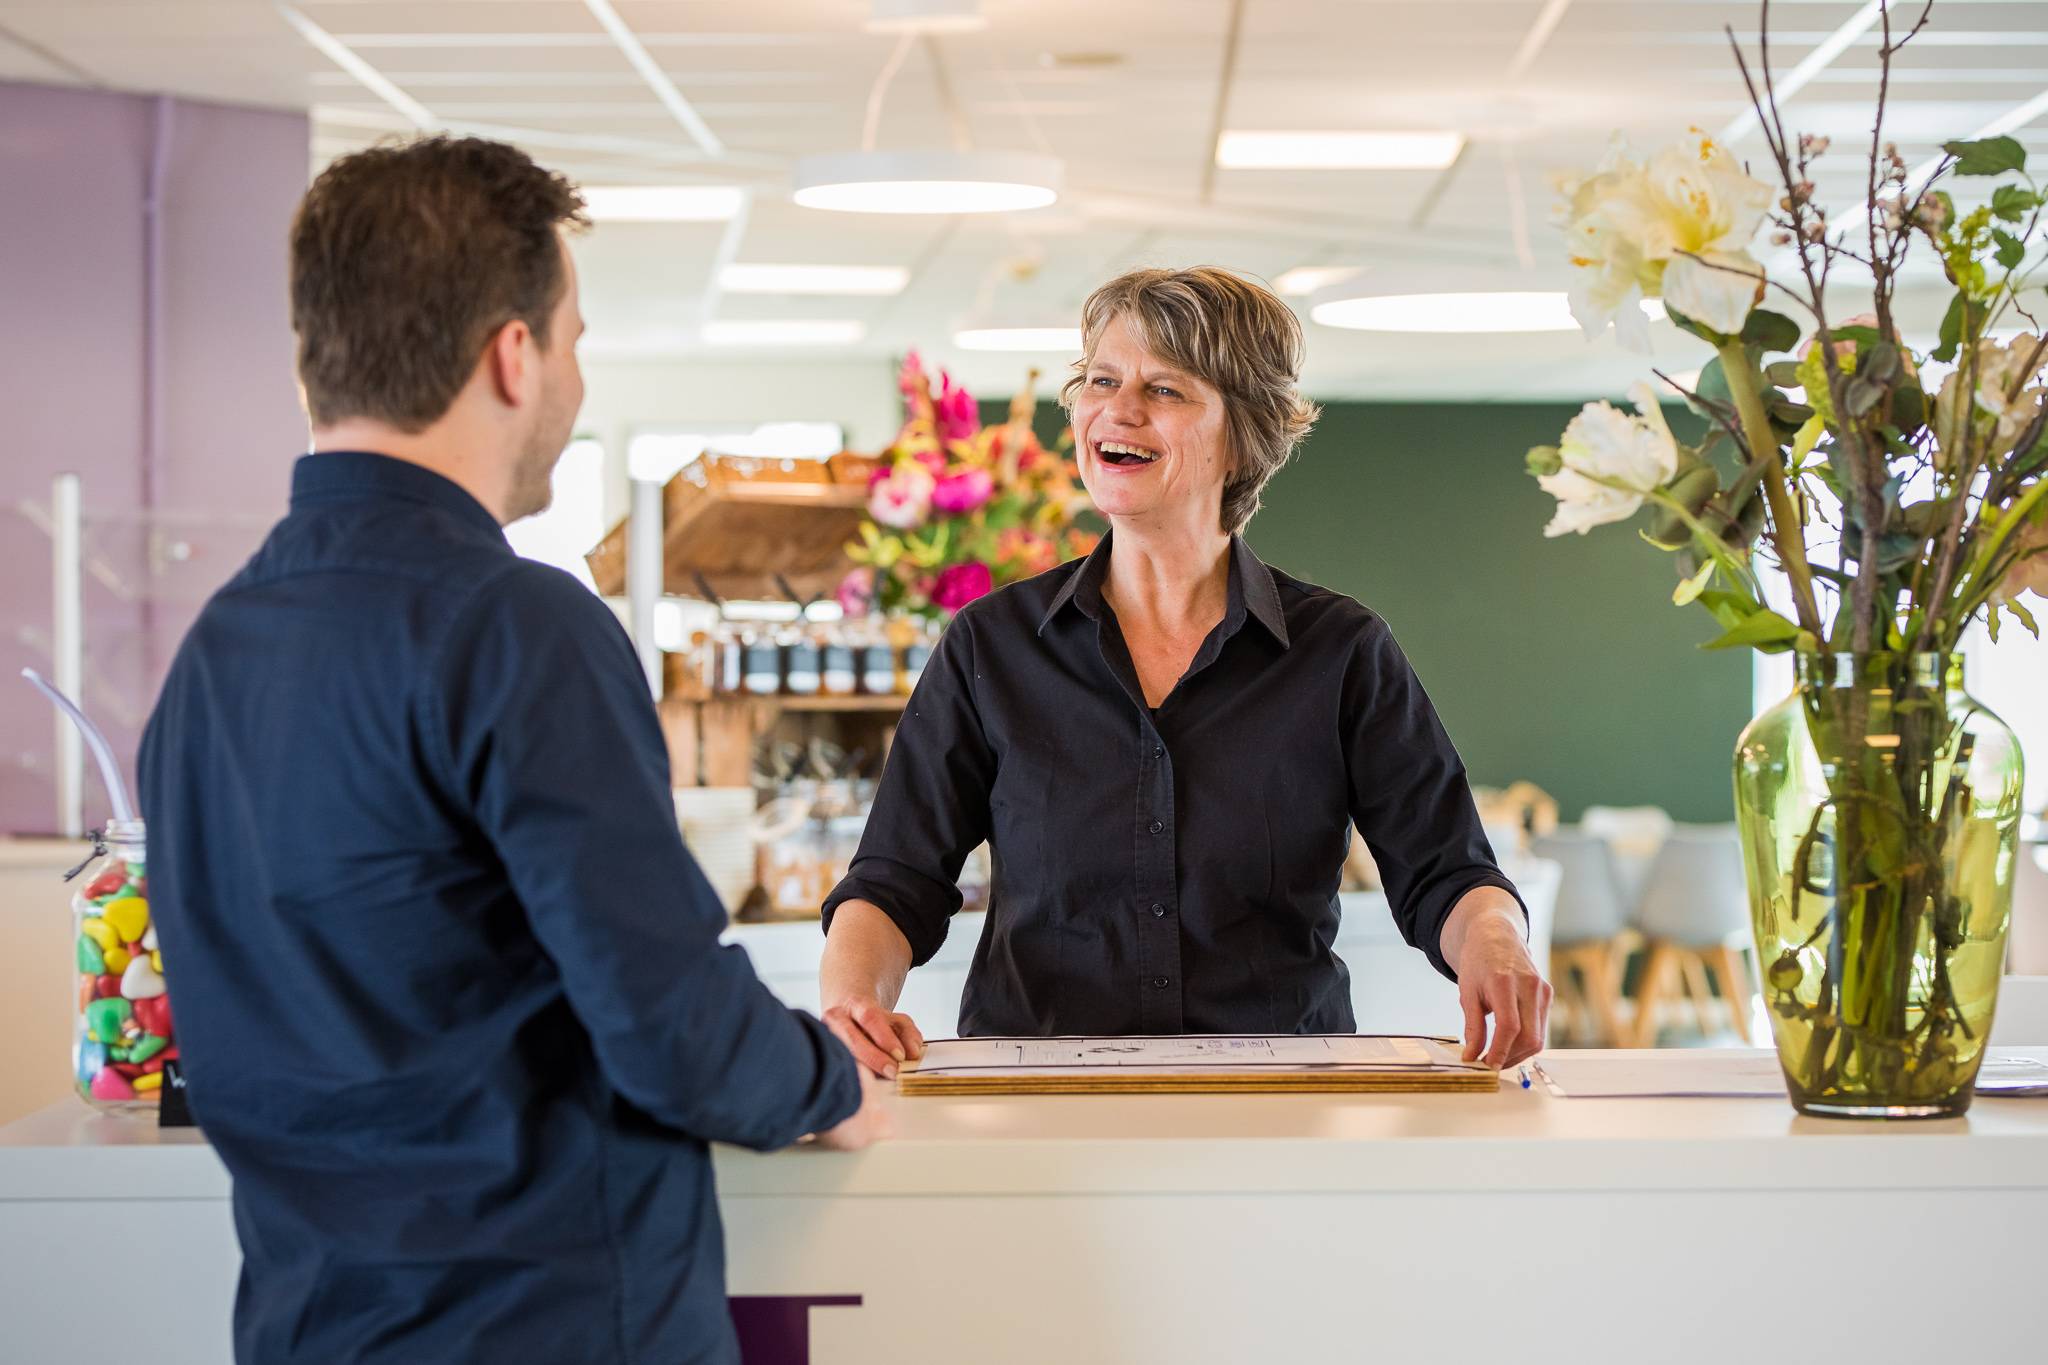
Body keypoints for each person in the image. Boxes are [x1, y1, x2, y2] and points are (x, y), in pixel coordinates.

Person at [138, 136, 884, 1365]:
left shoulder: (218, 650)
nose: (575, 381)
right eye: (576, 342)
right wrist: (828, 1079)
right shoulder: (517, 627)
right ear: (513, 354)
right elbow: (673, 1031)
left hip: (313, 1325)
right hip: (545, 1324)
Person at [819, 266, 1548, 1075]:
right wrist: (852, 999)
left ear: (1241, 436)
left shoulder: (1341, 651)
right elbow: (893, 882)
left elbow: (1447, 871)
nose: (1117, 409)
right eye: (1101, 379)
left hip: (1275, 1102)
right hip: (1037, 1102)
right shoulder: (992, 647)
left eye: (1164, 389)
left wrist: (1494, 943)